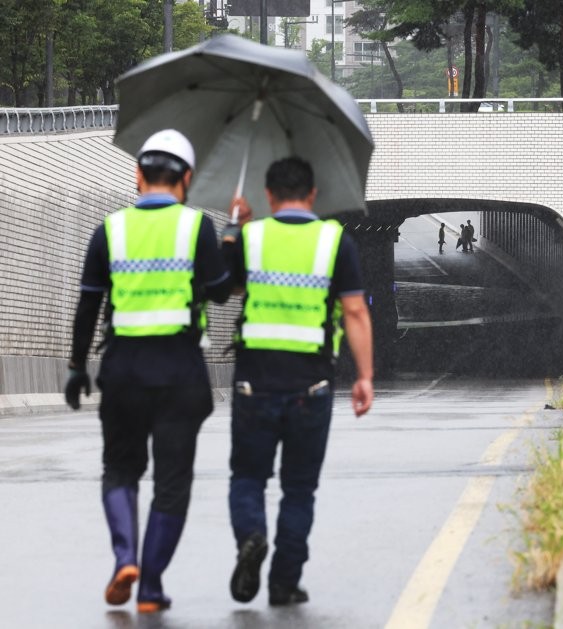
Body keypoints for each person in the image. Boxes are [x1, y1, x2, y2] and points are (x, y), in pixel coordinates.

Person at [64, 129, 234, 613]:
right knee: (172, 482)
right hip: (180, 371)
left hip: (123, 371)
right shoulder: (196, 227)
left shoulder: (109, 230)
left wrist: (77, 367)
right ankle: (152, 587)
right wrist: (230, 240)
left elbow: (87, 307)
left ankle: (124, 558)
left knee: (119, 468)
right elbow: (220, 291)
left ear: (139, 176)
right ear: (187, 179)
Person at [221, 157, 374, 607]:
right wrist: (364, 375)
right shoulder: (335, 242)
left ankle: (251, 535)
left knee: (248, 477)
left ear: (268, 195)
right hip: (312, 386)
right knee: (299, 488)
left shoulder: (252, 237)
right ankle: (284, 582)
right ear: (313, 195)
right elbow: (355, 311)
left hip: (254, 383)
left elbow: (223, 287)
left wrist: (233, 230)